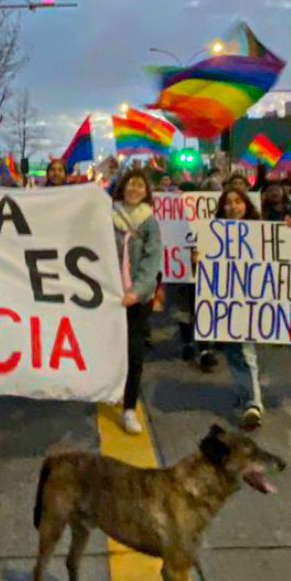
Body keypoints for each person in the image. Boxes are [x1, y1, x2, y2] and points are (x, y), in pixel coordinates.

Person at [112, 168, 162, 435]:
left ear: (146, 192)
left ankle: (129, 407)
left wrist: (138, 291)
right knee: (111, 348)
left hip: (137, 299)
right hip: (110, 296)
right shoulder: (107, 215)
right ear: (122, 188)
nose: (134, 189)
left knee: (134, 351)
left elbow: (152, 261)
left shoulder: (149, 222)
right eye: (130, 184)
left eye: (140, 186)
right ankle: (113, 389)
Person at [213, 185, 267, 430]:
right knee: (235, 350)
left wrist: (290, 230)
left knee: (245, 350)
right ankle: (246, 392)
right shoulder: (214, 232)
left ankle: (253, 403)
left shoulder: (262, 230)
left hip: (250, 299)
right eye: (228, 202)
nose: (233, 206)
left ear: (246, 204)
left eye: (238, 201)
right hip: (226, 299)